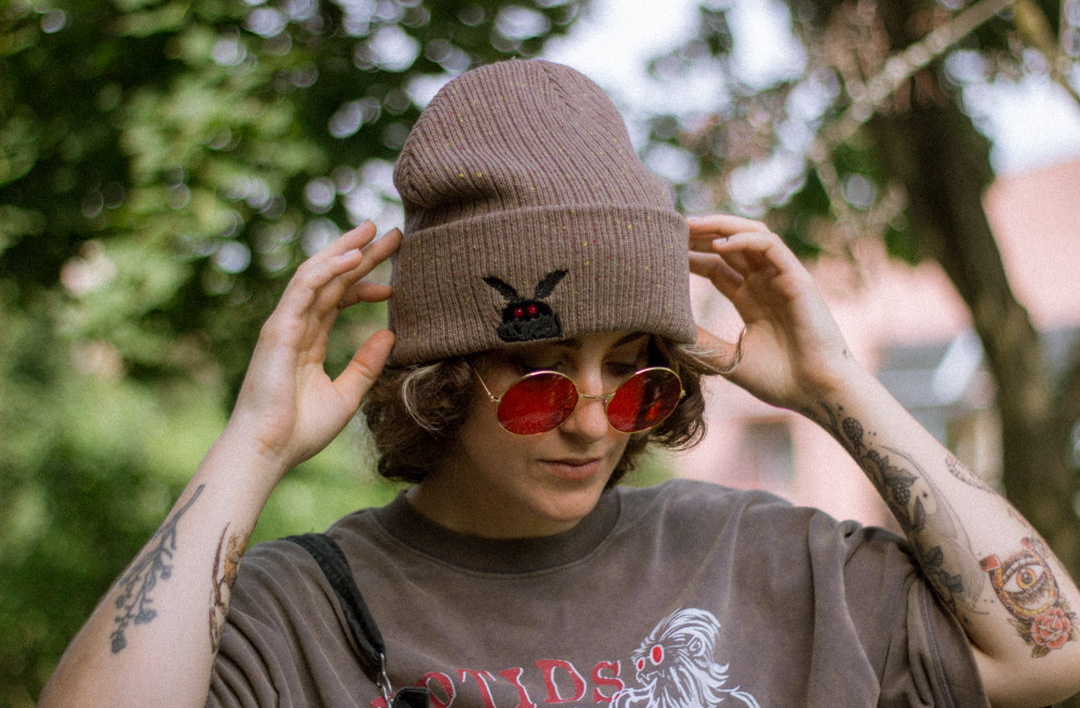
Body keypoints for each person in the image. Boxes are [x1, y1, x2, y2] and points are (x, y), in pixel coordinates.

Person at [38, 59, 1080, 708]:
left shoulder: (770, 561)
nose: (593, 423)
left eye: (636, 380)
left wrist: (836, 384)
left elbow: (1053, 654)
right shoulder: (297, 613)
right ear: (444, 381)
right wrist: (251, 446)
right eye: (540, 380)